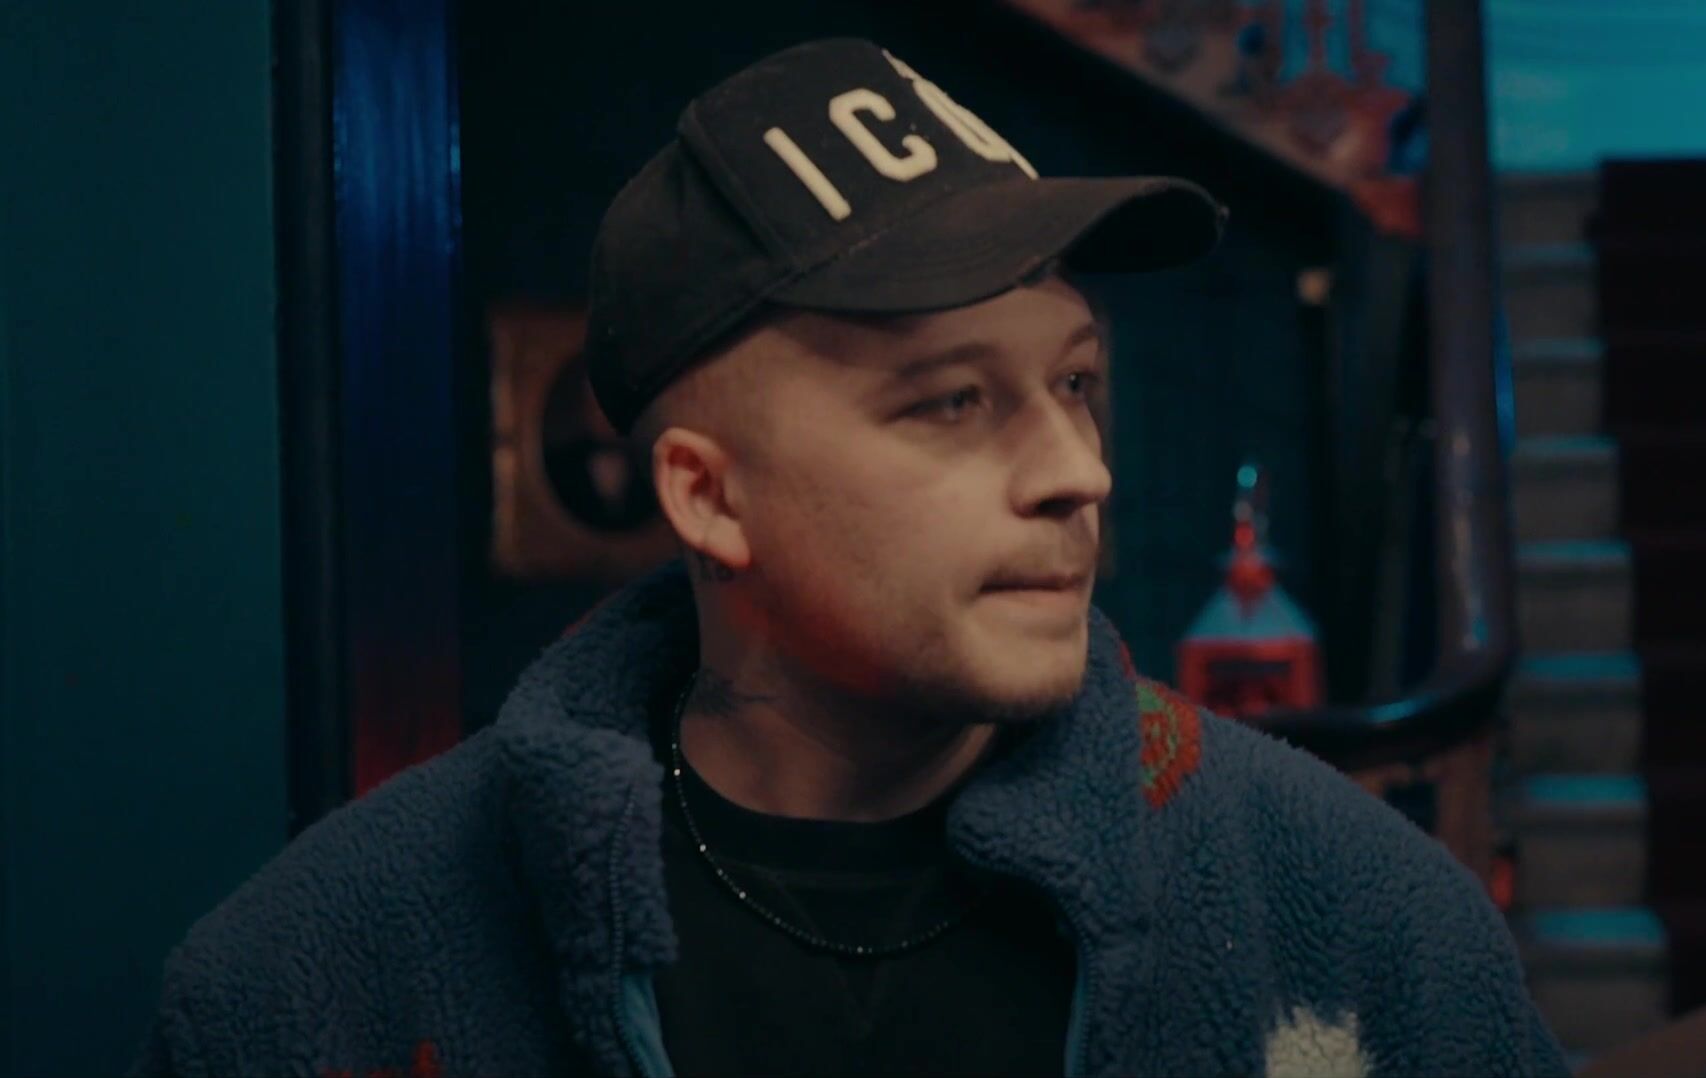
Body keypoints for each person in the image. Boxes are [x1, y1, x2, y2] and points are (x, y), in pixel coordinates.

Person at [129, 37, 1568, 1078]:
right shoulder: (318, 983)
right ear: (709, 497)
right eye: (952, 402)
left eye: (1074, 382)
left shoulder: (1362, 925)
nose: (1079, 472)